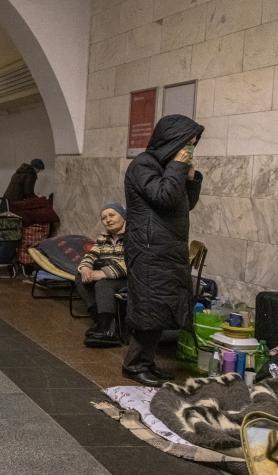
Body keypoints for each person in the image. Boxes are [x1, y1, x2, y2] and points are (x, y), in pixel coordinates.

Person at [122, 114, 204, 387]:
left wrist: (191, 179)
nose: (189, 150)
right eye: (186, 144)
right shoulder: (143, 164)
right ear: (173, 140)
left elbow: (183, 204)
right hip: (148, 250)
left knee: (160, 306)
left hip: (165, 248)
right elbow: (164, 197)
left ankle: (147, 362)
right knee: (148, 306)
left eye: (192, 145)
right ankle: (133, 366)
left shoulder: (168, 167)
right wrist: (179, 165)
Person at [77, 203, 128, 349]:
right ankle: (101, 321)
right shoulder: (103, 237)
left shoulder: (132, 236)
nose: (108, 220)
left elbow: (130, 263)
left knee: (103, 283)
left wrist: (103, 273)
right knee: (80, 277)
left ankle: (108, 332)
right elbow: (91, 254)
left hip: (128, 278)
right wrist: (86, 267)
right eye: (104, 218)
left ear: (123, 216)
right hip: (110, 276)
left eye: (112, 215)